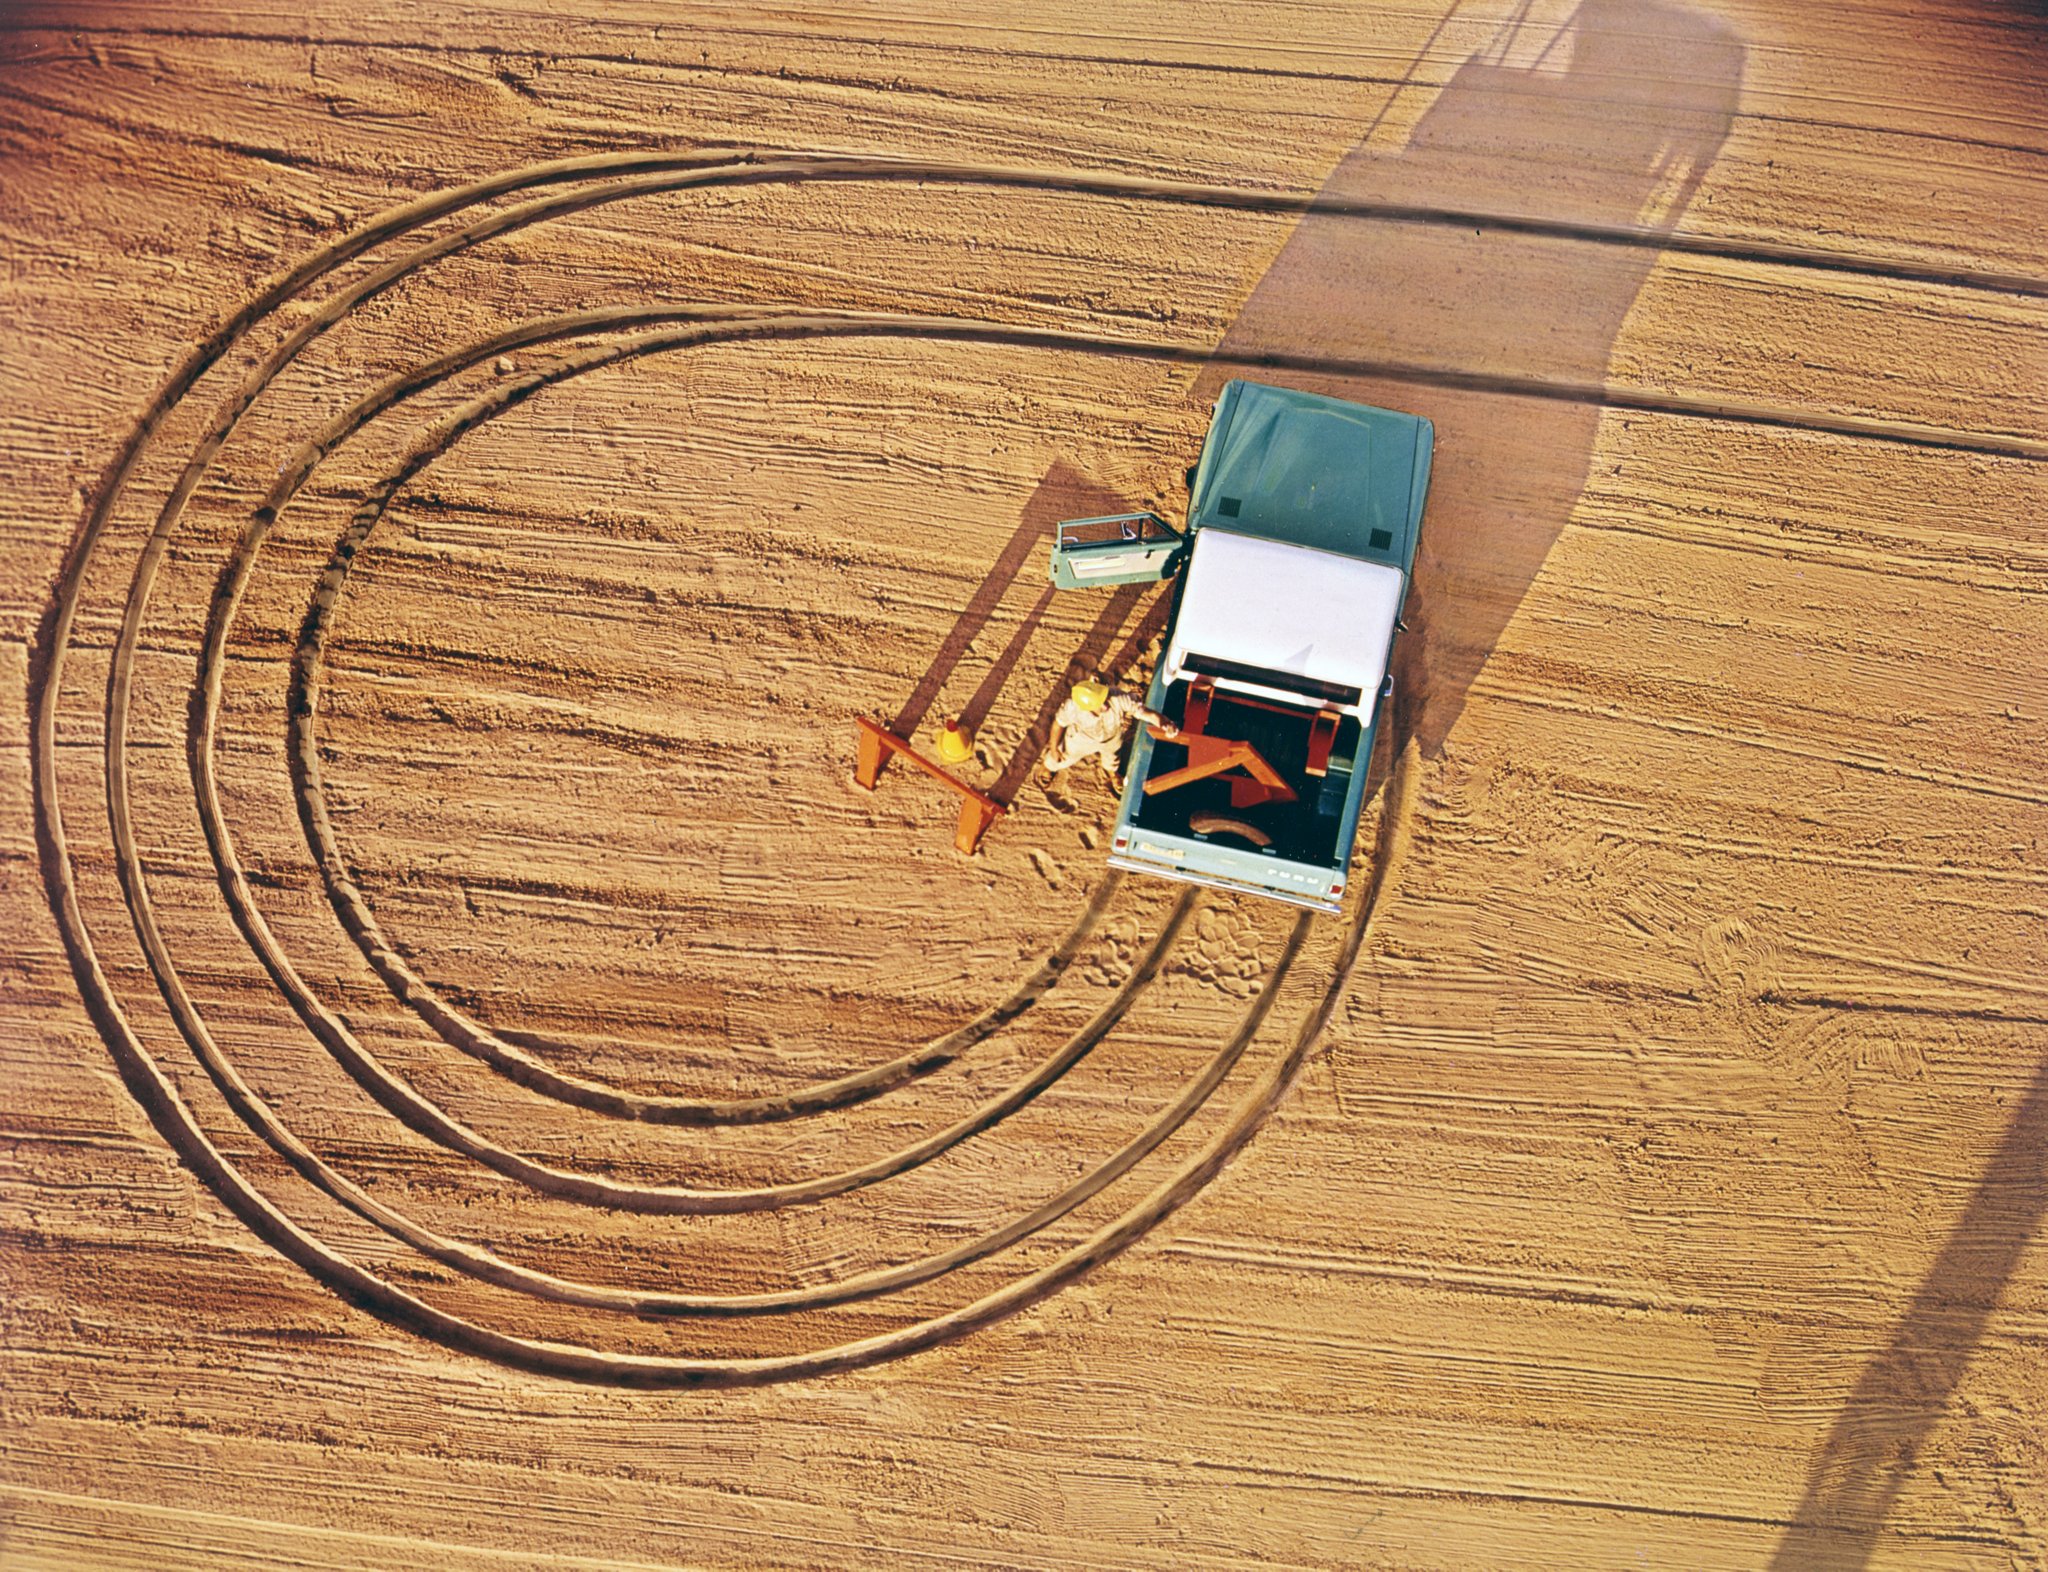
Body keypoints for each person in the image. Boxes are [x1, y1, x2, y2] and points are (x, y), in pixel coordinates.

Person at [1042, 677, 1176, 790]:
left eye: (1104, 699)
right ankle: (1048, 767)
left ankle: (1112, 773)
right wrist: (1054, 749)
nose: (1105, 706)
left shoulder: (1116, 696)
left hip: (1112, 737)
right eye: (1099, 704)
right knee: (1063, 755)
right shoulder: (1072, 707)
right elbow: (1058, 724)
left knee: (1112, 758)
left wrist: (1163, 723)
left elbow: (1143, 712)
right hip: (1082, 739)